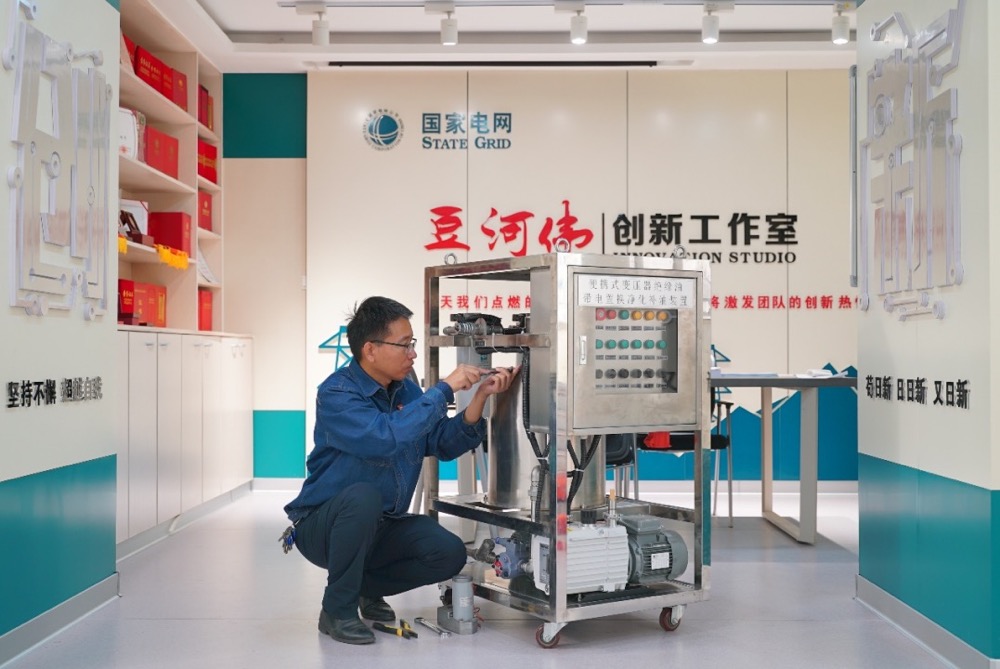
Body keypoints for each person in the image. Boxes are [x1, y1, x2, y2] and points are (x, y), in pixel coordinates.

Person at [284, 296, 518, 645]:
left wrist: (481, 397)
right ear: (370, 349)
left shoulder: (405, 388)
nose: (413, 354)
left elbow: (439, 442)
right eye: (405, 345)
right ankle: (337, 610)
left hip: (381, 523)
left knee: (448, 552)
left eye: (413, 344)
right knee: (362, 498)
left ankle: (362, 587)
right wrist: (443, 389)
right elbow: (384, 439)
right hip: (324, 526)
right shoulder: (337, 393)